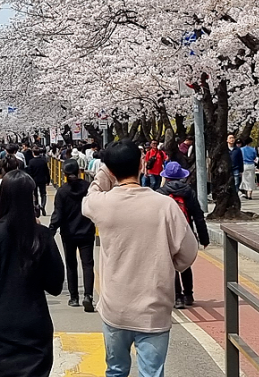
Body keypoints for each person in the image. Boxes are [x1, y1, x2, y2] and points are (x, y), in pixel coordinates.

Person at [82, 139, 198, 377]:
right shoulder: (164, 206)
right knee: (152, 373)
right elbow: (188, 252)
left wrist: (106, 171)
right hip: (153, 308)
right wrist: (170, 265)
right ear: (143, 164)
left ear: (111, 171)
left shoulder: (102, 204)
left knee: (115, 370)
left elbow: (91, 193)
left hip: (116, 306)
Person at [0, 171, 64, 377]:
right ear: (31, 198)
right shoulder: (42, 236)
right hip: (35, 320)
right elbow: (55, 285)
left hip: (2, 322)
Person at [157, 162, 210, 308]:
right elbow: (198, 216)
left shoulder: (160, 193)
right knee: (185, 263)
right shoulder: (188, 192)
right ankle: (188, 295)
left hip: (168, 233)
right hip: (186, 232)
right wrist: (204, 238)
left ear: (166, 177)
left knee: (171, 264)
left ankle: (177, 297)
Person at [48, 159, 96, 312]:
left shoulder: (62, 192)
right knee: (88, 264)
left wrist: (51, 229)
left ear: (64, 174)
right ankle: (88, 296)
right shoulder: (88, 188)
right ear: (79, 171)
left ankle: (74, 297)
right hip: (87, 231)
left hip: (68, 233)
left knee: (71, 264)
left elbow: (58, 214)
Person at [27, 147, 50, 214]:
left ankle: (37, 208)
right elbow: (47, 171)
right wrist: (48, 180)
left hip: (34, 180)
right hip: (42, 179)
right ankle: (43, 205)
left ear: (33, 153)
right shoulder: (43, 161)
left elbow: (30, 172)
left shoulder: (31, 162)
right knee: (43, 193)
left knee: (35, 194)